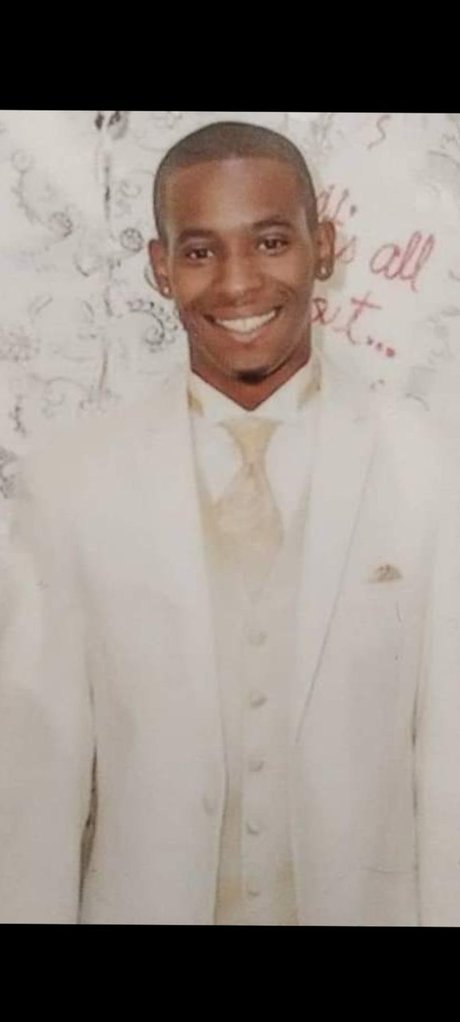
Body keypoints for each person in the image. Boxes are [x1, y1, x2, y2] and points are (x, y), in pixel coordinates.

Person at [0, 120, 457, 925]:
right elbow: (34, 791)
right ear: (160, 268)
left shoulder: (433, 475)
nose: (239, 284)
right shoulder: (70, 485)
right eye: (200, 251)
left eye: (271, 242)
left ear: (324, 247)